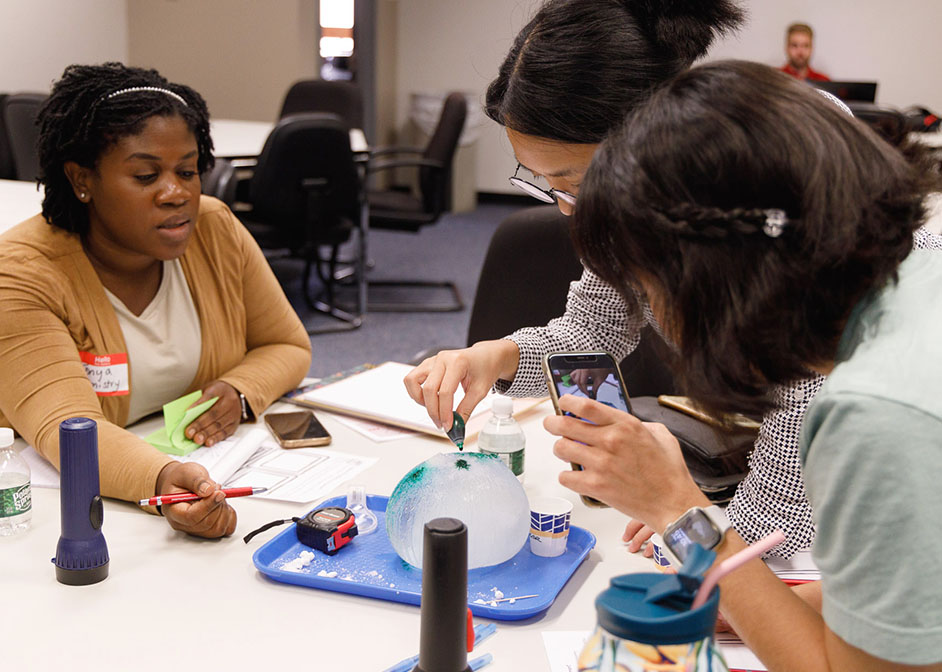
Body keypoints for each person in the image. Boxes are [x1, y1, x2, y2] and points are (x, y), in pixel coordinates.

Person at [404, 0, 942, 560]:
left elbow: (801, 404)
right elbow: (596, 327)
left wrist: (695, 526)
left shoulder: (764, 189)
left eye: (574, 182)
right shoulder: (661, 198)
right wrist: (499, 356)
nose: (567, 210)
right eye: (542, 184)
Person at [548, 59, 942, 669]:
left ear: (715, 282)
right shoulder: (923, 278)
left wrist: (682, 512)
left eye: (648, 288)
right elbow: (913, 598)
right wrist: (756, 594)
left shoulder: (876, 412)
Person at [0, 63, 312, 538]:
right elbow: (71, 431)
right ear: (82, 179)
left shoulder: (214, 228)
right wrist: (163, 480)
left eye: (187, 171)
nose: (177, 193)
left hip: (190, 475)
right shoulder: (21, 273)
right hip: (54, 520)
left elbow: (288, 345)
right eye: (146, 176)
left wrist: (240, 389)